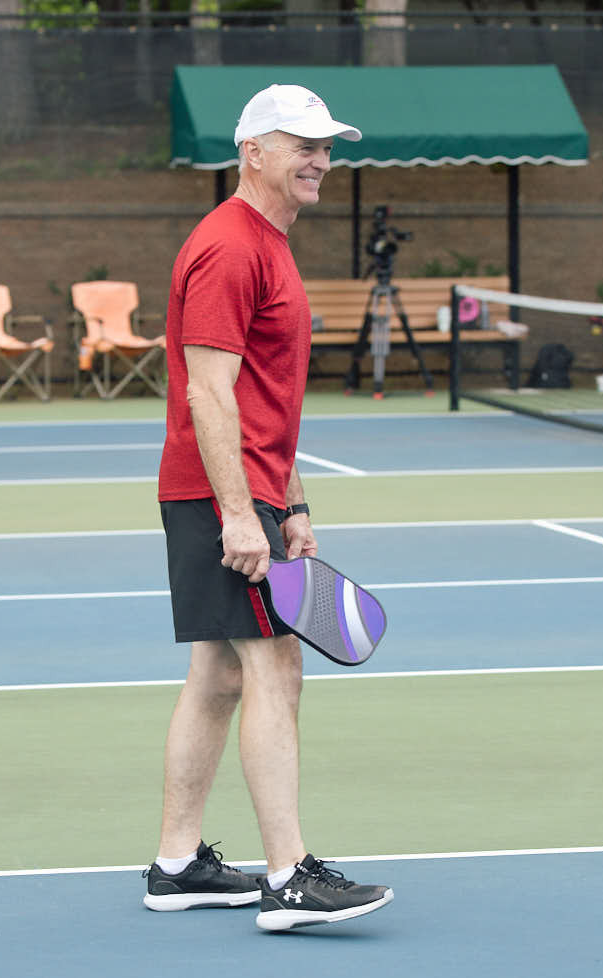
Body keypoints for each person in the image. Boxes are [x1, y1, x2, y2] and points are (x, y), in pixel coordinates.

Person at [146, 83, 393, 933]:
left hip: (247, 487)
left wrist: (290, 503)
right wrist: (239, 514)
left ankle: (177, 864)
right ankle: (290, 877)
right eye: (303, 144)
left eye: (327, 146)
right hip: (219, 491)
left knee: (218, 672)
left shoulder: (267, 243)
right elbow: (209, 391)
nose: (321, 160)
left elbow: (265, 397)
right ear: (253, 151)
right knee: (275, 665)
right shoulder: (229, 247)